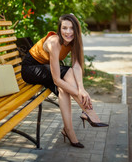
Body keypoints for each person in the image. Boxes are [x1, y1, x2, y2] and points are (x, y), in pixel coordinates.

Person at [21, 13, 108, 148]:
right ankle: (89, 112)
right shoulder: (54, 42)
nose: (68, 32)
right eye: (64, 28)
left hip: (46, 70)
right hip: (30, 69)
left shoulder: (74, 42)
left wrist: (82, 89)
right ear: (59, 29)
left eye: (71, 28)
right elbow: (56, 79)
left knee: (65, 85)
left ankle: (69, 130)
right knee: (65, 74)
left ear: (76, 30)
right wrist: (80, 95)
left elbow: (77, 66)